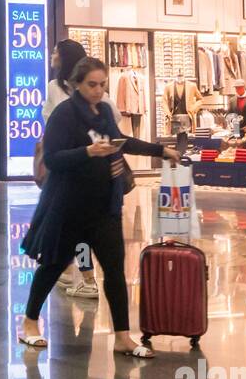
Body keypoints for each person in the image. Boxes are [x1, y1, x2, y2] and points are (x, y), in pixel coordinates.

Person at [19, 57, 178, 357]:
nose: (98, 90)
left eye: (102, 84)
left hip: (104, 205)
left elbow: (121, 141)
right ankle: (29, 323)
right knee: (52, 266)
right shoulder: (64, 115)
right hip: (69, 206)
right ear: (76, 84)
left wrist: (160, 150)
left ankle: (122, 336)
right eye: (92, 84)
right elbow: (52, 159)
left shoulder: (104, 110)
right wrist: (88, 152)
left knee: (115, 271)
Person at [41, 38, 121, 300]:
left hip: (71, 168)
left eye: (56, 52)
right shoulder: (90, 91)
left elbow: (48, 119)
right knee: (75, 229)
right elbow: (114, 117)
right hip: (90, 167)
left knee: (75, 228)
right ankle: (77, 273)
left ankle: (85, 277)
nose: (52, 55)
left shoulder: (56, 87)